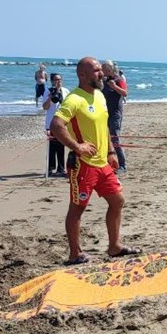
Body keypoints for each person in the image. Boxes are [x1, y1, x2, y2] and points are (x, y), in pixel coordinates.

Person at [50, 57, 139, 263]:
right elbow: (56, 125)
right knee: (77, 208)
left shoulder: (99, 96)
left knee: (117, 200)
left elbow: (104, 126)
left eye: (101, 70)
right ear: (82, 75)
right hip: (83, 165)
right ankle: (75, 253)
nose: (102, 74)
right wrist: (77, 146)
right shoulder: (74, 99)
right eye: (97, 71)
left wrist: (110, 152)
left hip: (102, 163)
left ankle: (114, 246)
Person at [101, 61, 128, 174]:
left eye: (107, 69)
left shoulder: (118, 80)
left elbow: (125, 93)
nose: (105, 72)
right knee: (104, 138)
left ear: (111, 69)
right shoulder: (104, 81)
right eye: (104, 70)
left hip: (115, 113)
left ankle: (122, 165)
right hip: (105, 113)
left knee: (115, 138)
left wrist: (114, 86)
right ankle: (107, 162)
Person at [43, 73, 71, 176]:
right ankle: (50, 168)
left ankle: (61, 168)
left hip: (62, 122)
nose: (57, 82)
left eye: (59, 80)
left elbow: (69, 105)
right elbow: (45, 107)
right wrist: (50, 98)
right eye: (55, 80)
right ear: (51, 81)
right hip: (50, 122)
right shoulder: (48, 91)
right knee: (51, 147)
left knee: (61, 146)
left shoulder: (66, 91)